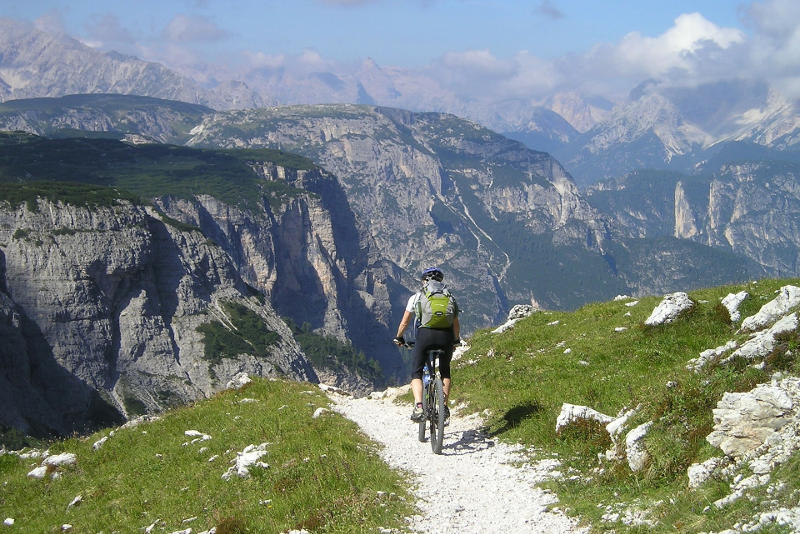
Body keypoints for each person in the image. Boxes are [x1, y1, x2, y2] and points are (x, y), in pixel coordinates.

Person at [393, 266, 460, 423]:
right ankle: (443, 407)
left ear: (424, 281)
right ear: (440, 281)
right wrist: (455, 340)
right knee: (445, 371)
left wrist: (399, 337)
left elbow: (405, 322)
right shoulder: (450, 297)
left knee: (416, 373)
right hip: (446, 337)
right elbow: (456, 324)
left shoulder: (417, 297)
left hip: (425, 336)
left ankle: (419, 406)